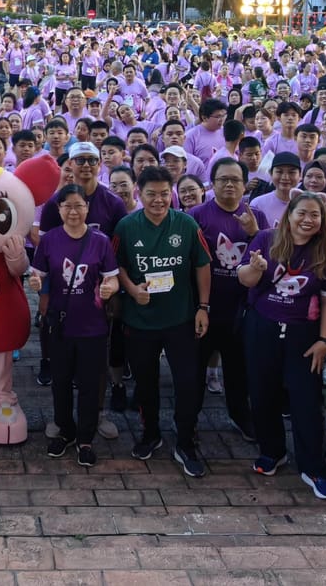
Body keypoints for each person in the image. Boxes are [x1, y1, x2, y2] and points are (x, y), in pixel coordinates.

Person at [238, 193, 326, 500]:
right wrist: (256, 268)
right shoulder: (266, 239)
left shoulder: (325, 254)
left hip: (303, 334)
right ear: (289, 215)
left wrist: (325, 340)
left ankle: (314, 468)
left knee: (306, 401)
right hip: (261, 327)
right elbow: (245, 280)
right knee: (262, 392)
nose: (308, 220)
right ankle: (272, 451)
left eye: (315, 215)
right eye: (302, 213)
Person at [113, 166, 212, 476]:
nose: (158, 200)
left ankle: (185, 440)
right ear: (138, 195)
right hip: (140, 321)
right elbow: (115, 267)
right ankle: (150, 433)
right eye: (150, 194)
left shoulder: (186, 223)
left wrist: (203, 307)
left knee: (187, 382)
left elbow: (202, 265)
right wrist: (131, 289)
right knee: (146, 383)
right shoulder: (127, 226)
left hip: (181, 319)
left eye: (163, 194)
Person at [30, 184, 119, 467]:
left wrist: (109, 288)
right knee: (61, 382)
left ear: (87, 208)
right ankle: (65, 430)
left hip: (93, 326)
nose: (73, 211)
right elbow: (38, 274)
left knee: (91, 385)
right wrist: (35, 283)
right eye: (67, 205)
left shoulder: (100, 241)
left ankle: (85, 438)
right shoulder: (50, 240)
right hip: (60, 324)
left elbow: (112, 277)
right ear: (59, 210)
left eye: (78, 205)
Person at [188, 157, 265, 442]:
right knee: (195, 368)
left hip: (243, 309)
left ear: (245, 184)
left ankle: (239, 415)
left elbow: (268, 257)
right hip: (205, 306)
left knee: (238, 368)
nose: (229, 184)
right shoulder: (197, 215)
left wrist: (254, 233)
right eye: (223, 179)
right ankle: (189, 418)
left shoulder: (257, 216)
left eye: (235, 179)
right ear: (213, 184)